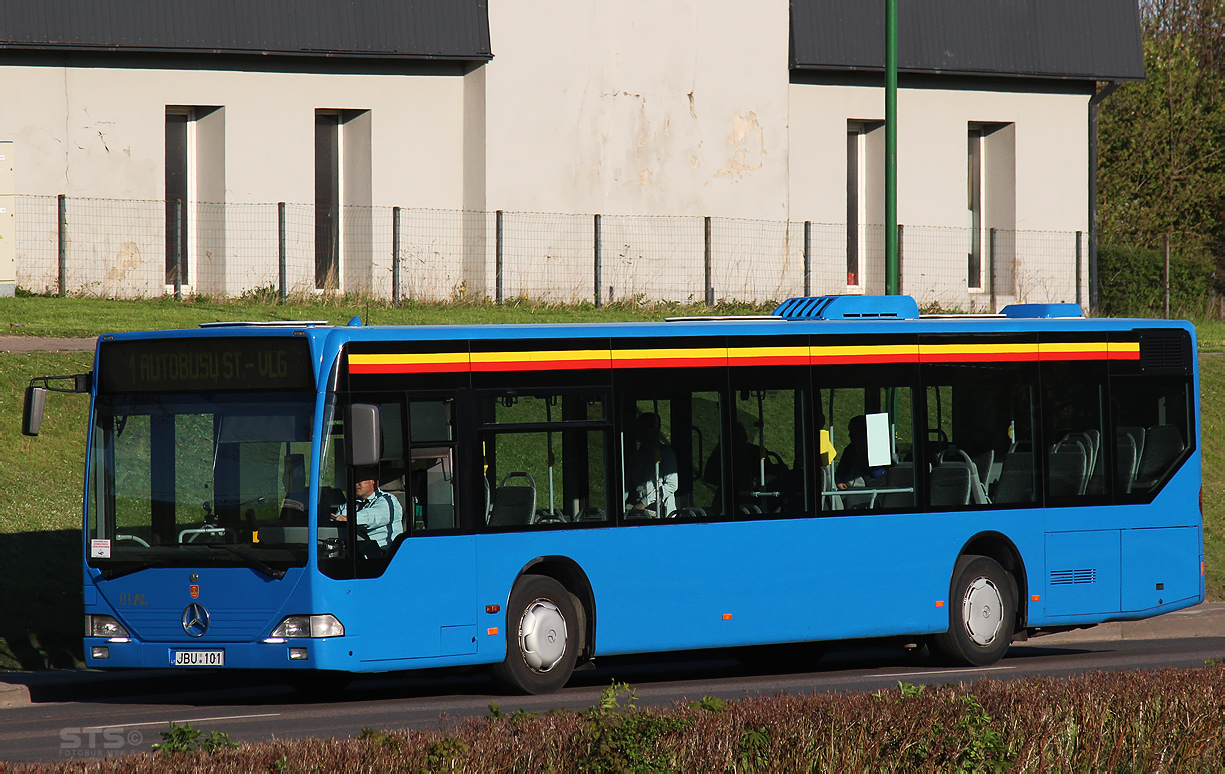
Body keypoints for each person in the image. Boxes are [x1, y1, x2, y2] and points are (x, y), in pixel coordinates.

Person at [331, 466, 404, 549]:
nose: (356, 484)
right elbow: (339, 517)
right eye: (355, 480)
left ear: (373, 481)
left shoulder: (388, 500)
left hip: (384, 553)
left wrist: (349, 518)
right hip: (357, 551)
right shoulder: (353, 503)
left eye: (360, 480)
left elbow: (372, 516)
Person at [625, 413, 678, 518]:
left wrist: (644, 503)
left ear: (651, 431)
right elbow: (628, 484)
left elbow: (671, 485)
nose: (637, 432)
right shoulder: (636, 456)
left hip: (661, 512)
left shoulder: (665, 453)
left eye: (641, 428)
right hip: (638, 512)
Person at [834, 414, 886, 489]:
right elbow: (840, 471)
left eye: (853, 432)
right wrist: (839, 481)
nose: (850, 435)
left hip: (870, 490)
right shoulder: (850, 449)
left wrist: (862, 455)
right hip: (849, 489)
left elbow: (876, 473)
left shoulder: (878, 449)